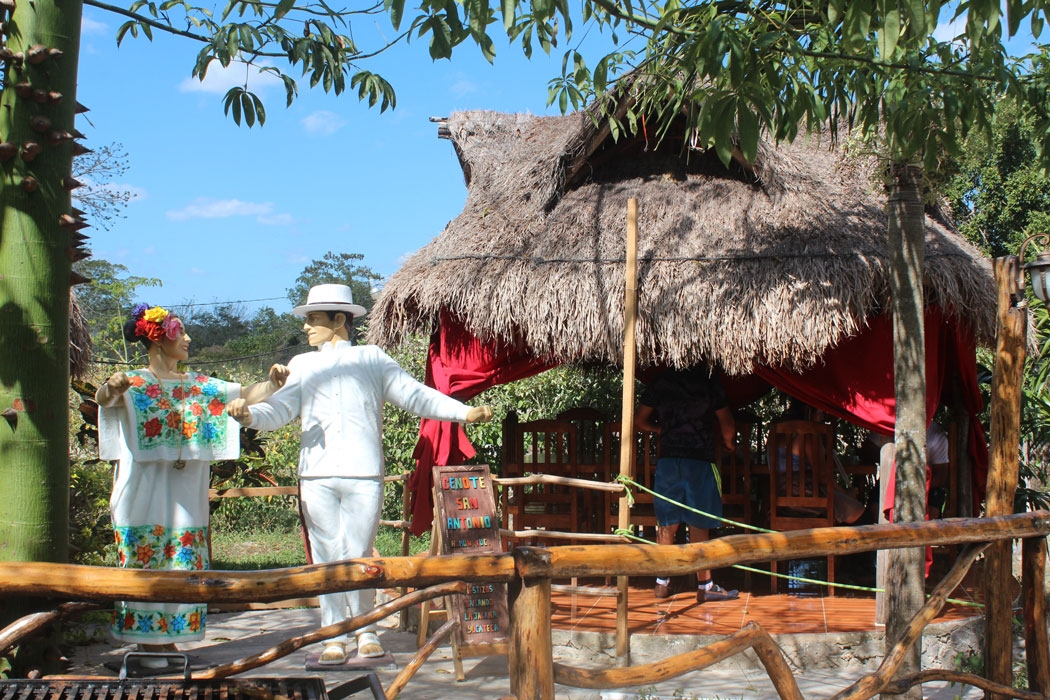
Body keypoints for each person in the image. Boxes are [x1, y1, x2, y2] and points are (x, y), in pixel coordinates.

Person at [228, 283, 494, 665]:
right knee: (326, 555)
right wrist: (250, 416)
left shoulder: (372, 358)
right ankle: (333, 634)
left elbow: (414, 393)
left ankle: (366, 629)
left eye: (313, 319)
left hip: (363, 471)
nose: (306, 327)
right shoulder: (302, 365)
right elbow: (281, 410)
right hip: (316, 474)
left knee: (359, 552)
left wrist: (461, 412)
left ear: (340, 319)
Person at [95, 303, 288, 666]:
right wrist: (112, 387)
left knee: (183, 559)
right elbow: (105, 399)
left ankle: (171, 640)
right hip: (143, 485)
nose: (187, 338)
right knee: (146, 556)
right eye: (178, 332)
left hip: (185, 486)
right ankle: (148, 643)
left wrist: (273, 384)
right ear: (156, 339)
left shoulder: (197, 386)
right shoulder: (134, 383)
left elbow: (242, 392)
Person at [634, 365, 740, 603]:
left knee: (667, 523)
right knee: (699, 521)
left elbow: (640, 420)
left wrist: (660, 429)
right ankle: (705, 585)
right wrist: (729, 444)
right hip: (700, 461)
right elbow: (727, 423)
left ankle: (661, 583)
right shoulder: (708, 381)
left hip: (669, 461)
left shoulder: (661, 382)